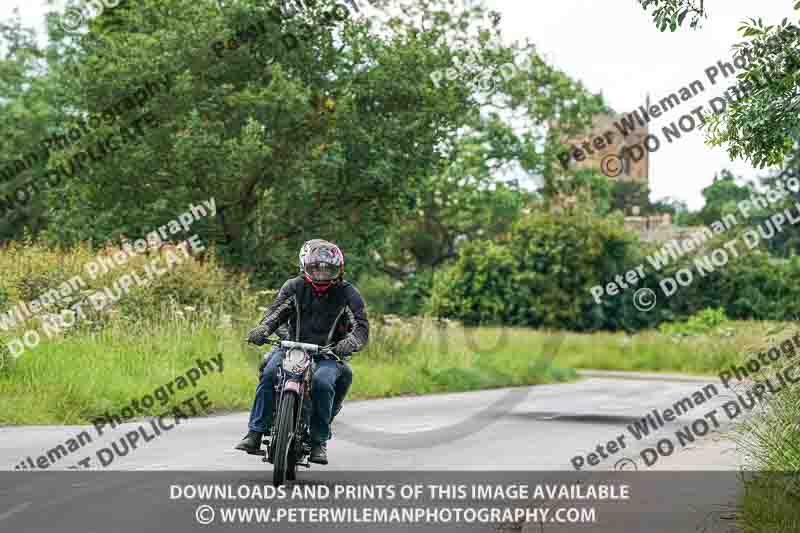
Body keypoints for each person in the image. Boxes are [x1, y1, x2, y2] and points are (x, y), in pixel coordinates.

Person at [235, 239, 369, 464]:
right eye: (316, 267)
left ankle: (318, 442)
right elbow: (275, 314)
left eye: (328, 269)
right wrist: (263, 328)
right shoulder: (294, 287)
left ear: (339, 270)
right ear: (304, 267)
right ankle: (255, 433)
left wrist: (351, 342)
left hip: (328, 354)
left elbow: (361, 327)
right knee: (269, 373)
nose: (321, 274)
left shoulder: (348, 293)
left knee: (323, 383)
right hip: (291, 348)